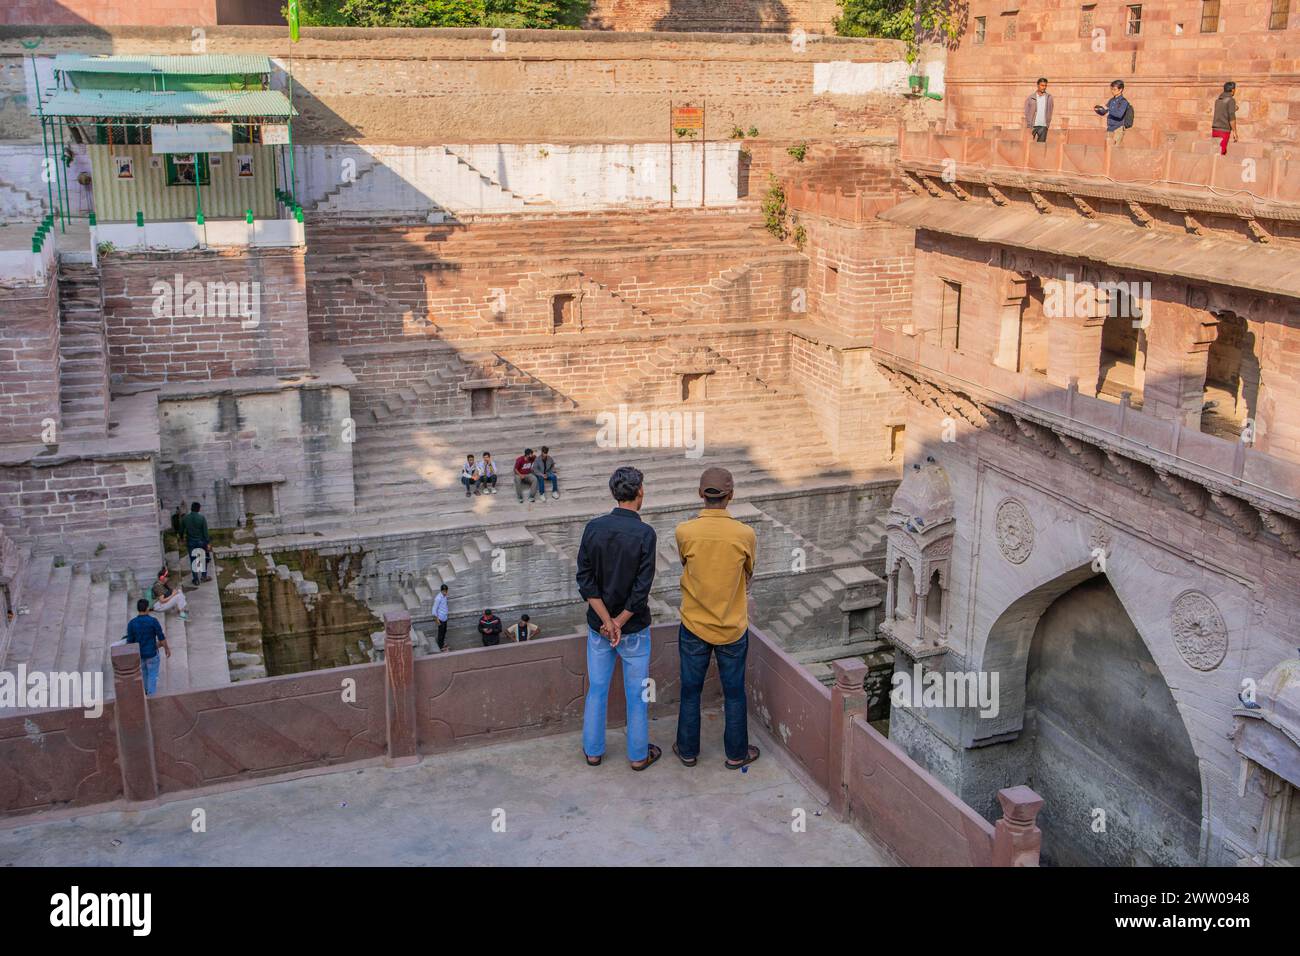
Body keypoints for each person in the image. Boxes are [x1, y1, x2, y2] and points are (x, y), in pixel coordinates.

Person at [673, 467, 760, 770]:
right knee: (734, 693)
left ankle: (687, 751)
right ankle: (736, 754)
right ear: (730, 495)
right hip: (732, 628)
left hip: (694, 625)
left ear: (700, 494)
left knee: (690, 691)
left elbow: (685, 562)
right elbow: (748, 573)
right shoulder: (744, 534)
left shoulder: (685, 531)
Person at [576, 466, 660, 771]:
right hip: (633, 629)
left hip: (599, 629)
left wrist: (607, 622)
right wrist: (619, 623)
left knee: (597, 689)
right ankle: (638, 756)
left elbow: (585, 581)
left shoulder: (593, 528)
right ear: (639, 492)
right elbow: (641, 591)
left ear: (615, 493)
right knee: (637, 695)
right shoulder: (645, 534)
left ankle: (593, 751)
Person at [124, 598, 170, 696]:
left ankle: (145, 691)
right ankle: (151, 696)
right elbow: (161, 637)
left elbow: (130, 641)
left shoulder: (132, 623)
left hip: (140, 654)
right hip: (152, 653)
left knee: (144, 673)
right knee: (152, 675)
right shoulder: (153, 621)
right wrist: (166, 648)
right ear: (147, 608)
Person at [179, 501, 211, 586]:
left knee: (193, 560)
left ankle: (196, 579)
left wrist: (181, 538)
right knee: (202, 559)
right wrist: (207, 543)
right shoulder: (202, 518)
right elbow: (205, 532)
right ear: (199, 509)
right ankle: (204, 576)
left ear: (191, 508)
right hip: (201, 542)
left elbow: (181, 530)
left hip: (191, 542)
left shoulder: (185, 518)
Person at [1094, 79, 1133, 145]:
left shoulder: (1123, 102)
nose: (1112, 91)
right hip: (1110, 128)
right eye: (1111, 89)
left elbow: (1119, 114)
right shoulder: (1111, 100)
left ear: (1120, 90)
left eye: (1114, 89)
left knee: (1114, 150)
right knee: (1108, 149)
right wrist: (1099, 109)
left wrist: (1108, 109)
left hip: (1118, 129)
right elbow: (1105, 111)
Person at [1212, 81, 1238, 156]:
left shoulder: (1218, 100)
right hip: (1223, 131)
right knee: (1220, 154)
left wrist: (1233, 108)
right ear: (1232, 90)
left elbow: (1223, 111)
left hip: (1215, 130)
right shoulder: (1231, 100)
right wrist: (1235, 132)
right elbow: (1231, 117)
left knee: (1215, 152)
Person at [1024, 77, 1053, 143]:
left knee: (1041, 148)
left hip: (1043, 126)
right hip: (1032, 126)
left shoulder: (1049, 98)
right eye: (1042, 85)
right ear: (1038, 85)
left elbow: (1050, 110)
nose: (1044, 87)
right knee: (1028, 144)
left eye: (1045, 85)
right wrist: (1028, 123)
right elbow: (1026, 111)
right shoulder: (1031, 97)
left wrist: (1047, 123)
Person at [432, 583, 449, 652]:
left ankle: (442, 643)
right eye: (444, 591)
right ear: (441, 591)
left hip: (445, 617)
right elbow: (434, 609)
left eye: (446, 591)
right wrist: (436, 619)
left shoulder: (445, 596)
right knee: (441, 632)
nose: (445, 593)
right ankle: (440, 646)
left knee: (444, 631)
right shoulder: (438, 598)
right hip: (440, 619)